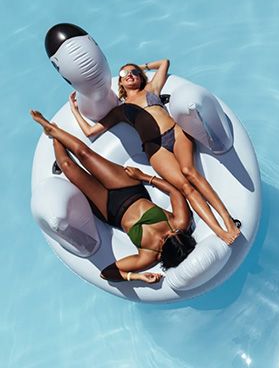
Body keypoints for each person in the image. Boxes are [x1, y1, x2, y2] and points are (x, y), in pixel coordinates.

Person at [68, 59, 240, 244]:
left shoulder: (151, 89)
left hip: (176, 133)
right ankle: (219, 232)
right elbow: (90, 131)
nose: (131, 75)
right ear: (120, 83)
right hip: (155, 147)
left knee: (190, 172)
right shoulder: (120, 110)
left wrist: (142, 67)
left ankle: (228, 220)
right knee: (185, 187)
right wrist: (74, 108)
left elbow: (164, 63)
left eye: (134, 72)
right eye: (125, 74)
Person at [31, 110, 198, 284]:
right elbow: (175, 192)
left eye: (166, 238)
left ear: (164, 252)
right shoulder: (180, 224)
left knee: (68, 166)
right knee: (85, 154)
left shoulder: (148, 257)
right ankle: (51, 128)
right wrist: (144, 178)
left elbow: (107, 273)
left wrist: (137, 276)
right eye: (175, 233)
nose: (169, 232)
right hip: (130, 189)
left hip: (110, 209)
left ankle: (54, 138)